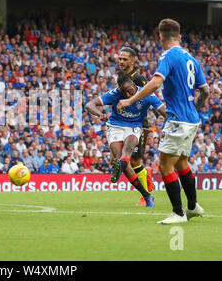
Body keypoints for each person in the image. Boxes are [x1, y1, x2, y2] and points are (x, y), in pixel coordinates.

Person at [117, 18, 210, 224]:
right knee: (182, 162)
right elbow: (205, 90)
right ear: (180, 35)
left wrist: (130, 99)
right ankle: (193, 206)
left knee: (164, 165)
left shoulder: (168, 56)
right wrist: (193, 108)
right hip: (192, 120)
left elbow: (157, 82)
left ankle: (178, 213)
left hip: (177, 119)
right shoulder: (192, 59)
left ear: (160, 36)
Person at [86, 72, 166, 208]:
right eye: (124, 92)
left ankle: (120, 166)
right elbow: (89, 104)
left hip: (134, 127)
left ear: (134, 85)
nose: (127, 95)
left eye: (129, 91)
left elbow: (164, 111)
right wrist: (100, 114)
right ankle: (146, 195)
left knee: (126, 152)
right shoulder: (115, 93)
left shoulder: (146, 94)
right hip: (115, 127)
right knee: (121, 159)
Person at [117, 46, 155, 206]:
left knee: (134, 161)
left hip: (140, 125)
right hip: (125, 124)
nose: (121, 62)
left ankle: (146, 195)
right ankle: (146, 179)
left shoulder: (138, 78)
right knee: (128, 159)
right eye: (120, 59)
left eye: (124, 59)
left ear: (133, 61)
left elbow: (149, 96)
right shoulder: (121, 76)